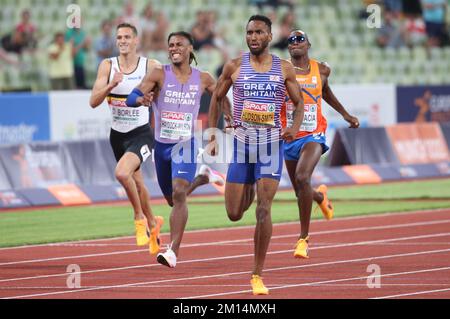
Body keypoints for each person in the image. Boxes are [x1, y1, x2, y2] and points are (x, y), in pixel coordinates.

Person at [207, 15, 304, 295]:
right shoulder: (234, 66)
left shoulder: (284, 69)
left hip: (271, 146)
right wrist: (212, 134)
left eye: (259, 32)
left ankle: (257, 274)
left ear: (270, 36)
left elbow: (299, 104)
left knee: (264, 208)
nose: (253, 37)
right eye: (249, 32)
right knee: (234, 213)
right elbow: (216, 97)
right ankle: (248, 183)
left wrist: (293, 128)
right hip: (241, 146)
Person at [126, 31, 228, 268]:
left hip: (187, 144)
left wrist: (227, 119)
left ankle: (172, 251)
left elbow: (221, 97)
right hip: (162, 146)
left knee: (180, 193)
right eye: (170, 45)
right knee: (173, 200)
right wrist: (139, 100)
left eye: (179, 44)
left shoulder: (203, 78)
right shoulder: (159, 73)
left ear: (190, 48)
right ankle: (203, 177)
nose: (174, 48)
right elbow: (133, 95)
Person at [280, 30, 359, 259]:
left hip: (314, 134)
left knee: (303, 178)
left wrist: (345, 114)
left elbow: (326, 92)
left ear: (308, 45)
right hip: (290, 136)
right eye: (291, 41)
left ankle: (303, 239)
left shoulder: (321, 69)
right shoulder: (282, 71)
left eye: (299, 40)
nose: (295, 43)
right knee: (300, 190)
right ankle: (320, 197)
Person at [89, 23, 164, 255]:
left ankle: (139, 218)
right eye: (119, 37)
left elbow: (165, 93)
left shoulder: (150, 65)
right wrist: (112, 84)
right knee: (138, 183)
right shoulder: (107, 66)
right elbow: (93, 101)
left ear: (136, 41)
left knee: (122, 174)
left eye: (127, 37)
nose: (122, 40)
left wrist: (153, 98)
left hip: (141, 133)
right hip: (117, 135)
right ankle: (154, 224)